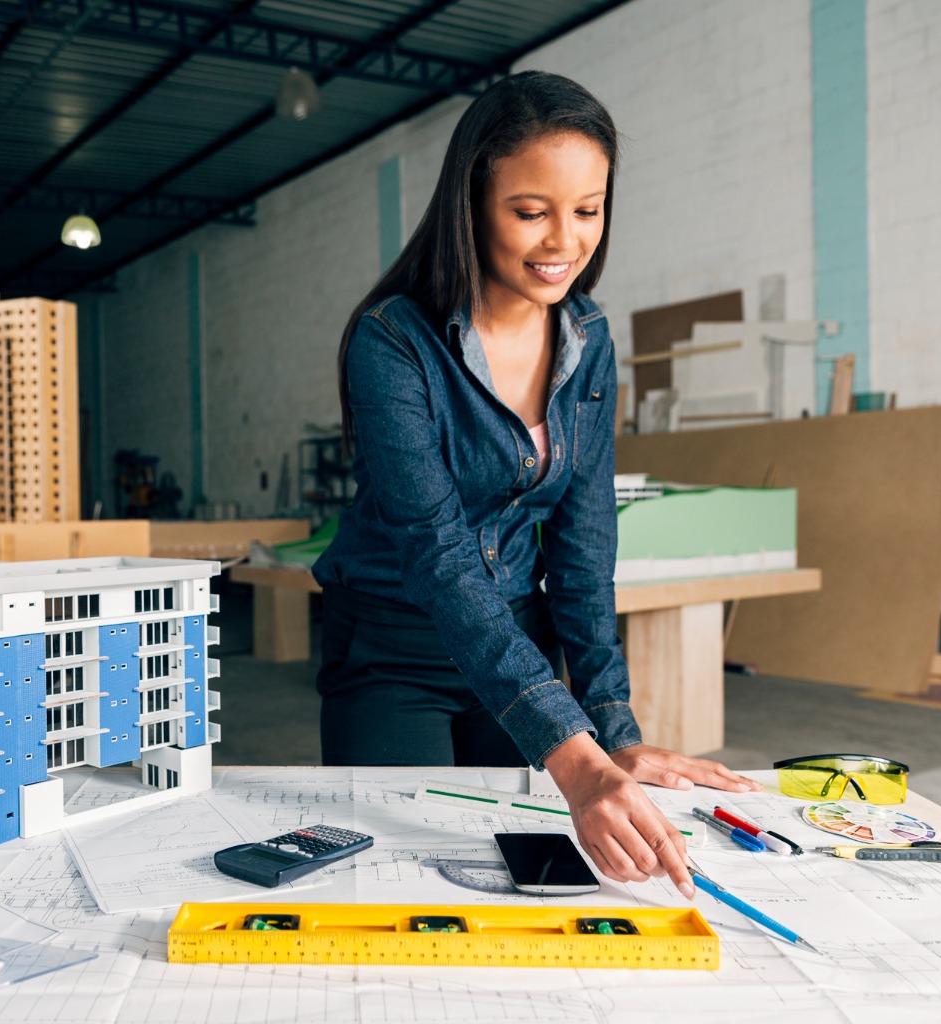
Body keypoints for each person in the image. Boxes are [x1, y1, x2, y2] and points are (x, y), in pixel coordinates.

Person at [311, 71, 759, 899]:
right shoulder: (392, 342)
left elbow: (585, 549)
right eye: (531, 211)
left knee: (521, 879)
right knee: (391, 881)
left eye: (587, 209)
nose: (565, 240)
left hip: (520, 650)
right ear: (472, 201)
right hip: (392, 649)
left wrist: (612, 734)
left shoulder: (588, 340)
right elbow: (439, 555)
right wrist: (573, 752)